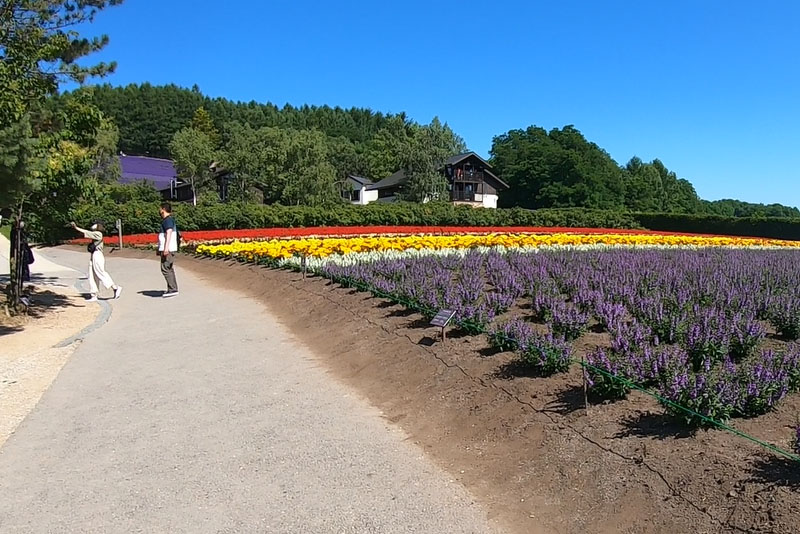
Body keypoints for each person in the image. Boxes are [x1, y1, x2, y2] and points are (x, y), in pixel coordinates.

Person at [70, 221, 122, 302]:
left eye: (95, 224)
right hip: (94, 254)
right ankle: (94, 294)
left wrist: (76, 228)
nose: (93, 225)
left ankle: (115, 287)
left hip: (98, 254)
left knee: (100, 272)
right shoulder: (96, 234)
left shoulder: (98, 234)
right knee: (92, 274)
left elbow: (87, 232)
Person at [158, 202, 179, 297]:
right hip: (169, 248)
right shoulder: (168, 220)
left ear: (163, 209)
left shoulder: (167, 220)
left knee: (165, 268)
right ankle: (172, 288)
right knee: (169, 268)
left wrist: (166, 248)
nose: (159, 211)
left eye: (160, 209)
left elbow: (169, 232)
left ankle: (172, 289)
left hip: (168, 249)